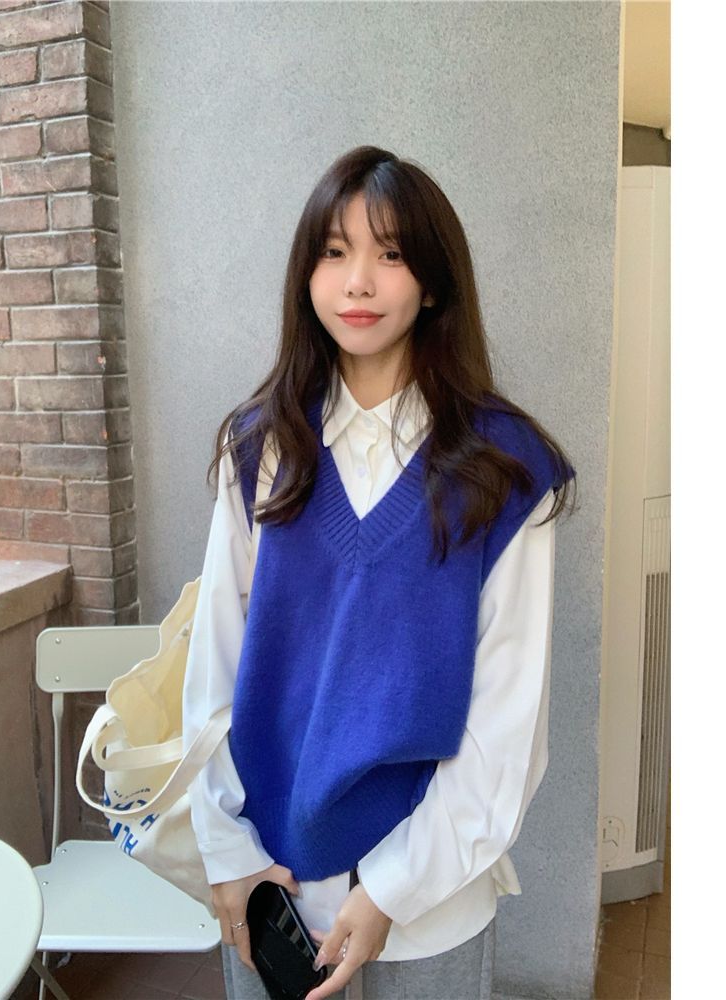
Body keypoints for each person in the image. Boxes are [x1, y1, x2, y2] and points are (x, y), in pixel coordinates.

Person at [182, 145, 576, 1000]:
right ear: (307, 275)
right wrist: (225, 852)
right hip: (275, 888)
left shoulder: (505, 472)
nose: (358, 281)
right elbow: (215, 663)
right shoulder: (261, 451)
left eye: (390, 253)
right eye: (334, 252)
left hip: (431, 905)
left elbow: (508, 724)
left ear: (431, 282)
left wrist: (394, 888)